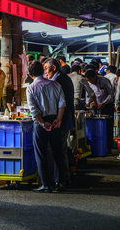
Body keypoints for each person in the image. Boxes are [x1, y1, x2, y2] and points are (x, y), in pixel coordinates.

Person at [26, 61, 66, 193]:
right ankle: (61, 182)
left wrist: (42, 123)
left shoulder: (31, 88)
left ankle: (46, 184)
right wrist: (58, 119)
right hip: (54, 120)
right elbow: (62, 103)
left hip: (41, 123)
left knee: (41, 154)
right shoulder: (55, 84)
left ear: (30, 75)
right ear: (43, 71)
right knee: (58, 152)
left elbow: (34, 110)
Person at [43, 58, 75, 190]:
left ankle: (59, 180)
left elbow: (57, 101)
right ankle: (64, 179)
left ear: (54, 68)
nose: (45, 71)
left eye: (46, 68)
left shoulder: (57, 80)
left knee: (57, 150)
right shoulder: (64, 77)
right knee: (62, 149)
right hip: (65, 118)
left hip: (61, 119)